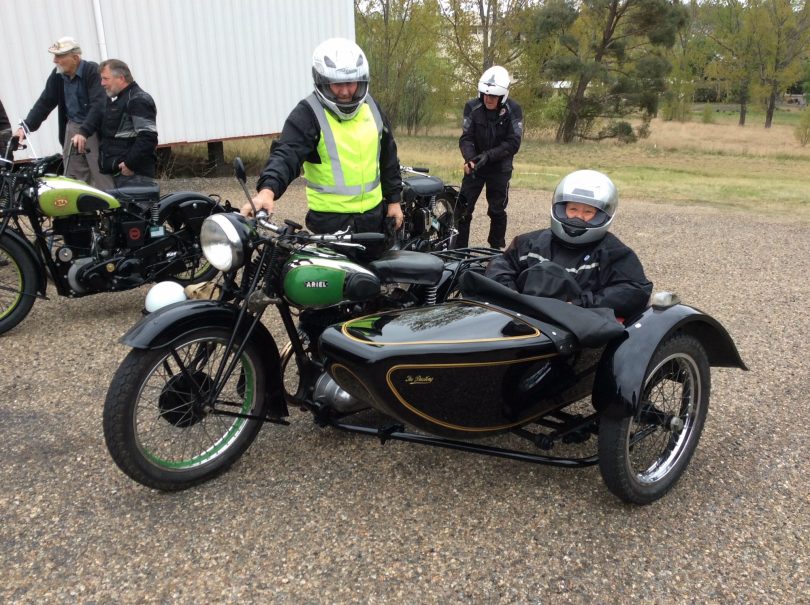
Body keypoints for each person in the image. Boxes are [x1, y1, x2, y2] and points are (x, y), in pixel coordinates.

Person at [241, 37, 403, 236]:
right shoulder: (308, 113)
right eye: (336, 84)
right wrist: (267, 191)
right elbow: (286, 154)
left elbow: (388, 157)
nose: (345, 91)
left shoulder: (373, 109)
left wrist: (394, 201)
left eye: (351, 83)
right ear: (322, 81)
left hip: (373, 219)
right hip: (330, 223)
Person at [485, 169, 653, 320]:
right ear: (561, 208)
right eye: (573, 209)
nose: (578, 217)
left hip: (572, 326)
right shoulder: (530, 242)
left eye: (588, 212)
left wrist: (581, 304)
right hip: (522, 318)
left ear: (602, 215)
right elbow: (501, 265)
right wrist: (511, 295)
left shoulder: (613, 252)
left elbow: (635, 290)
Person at [15, 37, 113, 189]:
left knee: (101, 174)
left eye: (59, 56)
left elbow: (99, 106)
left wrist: (84, 132)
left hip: (94, 129)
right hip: (73, 129)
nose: (55, 60)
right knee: (74, 178)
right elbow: (45, 102)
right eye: (55, 56)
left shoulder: (92, 71)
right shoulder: (58, 75)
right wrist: (26, 126)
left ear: (75, 57)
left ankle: (113, 210)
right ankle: (81, 213)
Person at [457, 65, 523, 249]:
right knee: (463, 209)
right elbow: (466, 137)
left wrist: (487, 156)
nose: (488, 99)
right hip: (475, 165)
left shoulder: (514, 110)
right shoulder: (472, 107)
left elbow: (513, 143)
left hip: (500, 168)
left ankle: (495, 250)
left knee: (497, 210)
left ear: (502, 96)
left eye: (493, 96)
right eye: (485, 95)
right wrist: (471, 159)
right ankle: (459, 248)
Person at [97, 59, 158, 187]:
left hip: (134, 174)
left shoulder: (137, 99)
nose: (102, 83)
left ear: (121, 78)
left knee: (138, 208)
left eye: (105, 78)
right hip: (122, 173)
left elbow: (148, 137)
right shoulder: (121, 100)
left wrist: (129, 164)